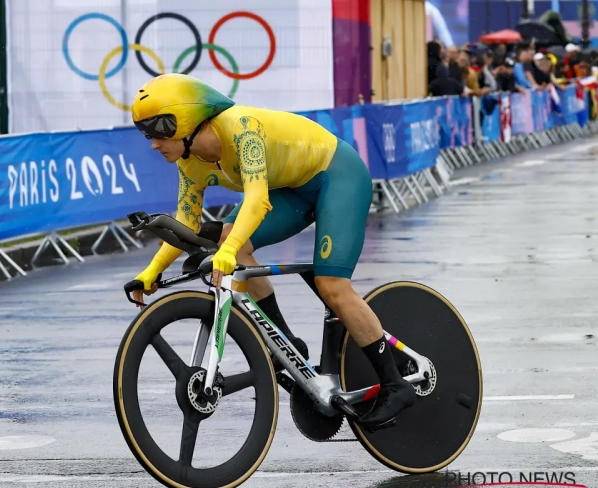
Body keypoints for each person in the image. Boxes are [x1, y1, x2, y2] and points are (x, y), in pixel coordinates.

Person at [128, 73, 417, 430]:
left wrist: (229, 248)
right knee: (230, 244)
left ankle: (394, 383)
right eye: (147, 135)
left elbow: (257, 199)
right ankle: (287, 342)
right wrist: (151, 271)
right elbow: (185, 222)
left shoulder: (241, 128)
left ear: (183, 121)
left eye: (157, 132)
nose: (153, 145)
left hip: (336, 175)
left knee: (331, 285)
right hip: (291, 188)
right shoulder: (189, 161)